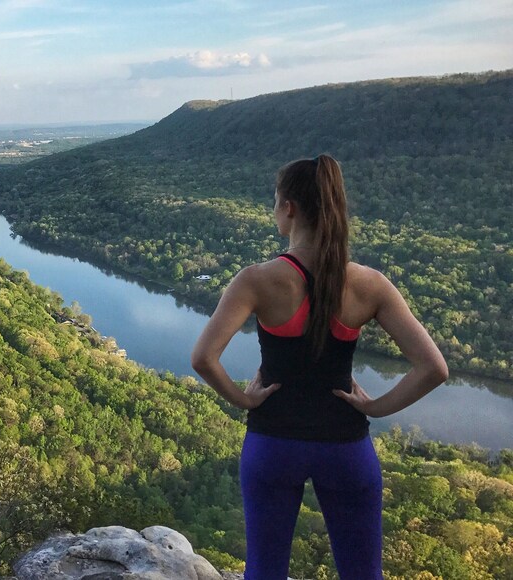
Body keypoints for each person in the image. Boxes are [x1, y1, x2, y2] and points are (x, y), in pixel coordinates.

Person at [190, 154, 448, 579]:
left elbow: (203, 358)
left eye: (275, 201)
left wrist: (244, 399)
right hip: (346, 447)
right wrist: (375, 407)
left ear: (288, 208)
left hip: (273, 443)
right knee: (363, 573)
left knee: (265, 571)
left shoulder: (257, 280)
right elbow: (433, 368)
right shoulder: (369, 284)